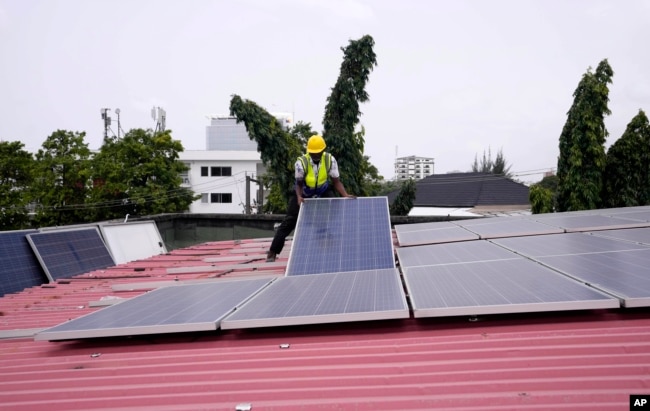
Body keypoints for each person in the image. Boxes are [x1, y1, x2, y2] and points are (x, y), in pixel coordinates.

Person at [266, 134, 355, 262]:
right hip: (304, 191)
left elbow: (336, 181)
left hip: (322, 190)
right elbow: (299, 183)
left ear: (323, 150)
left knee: (334, 209)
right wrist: (299, 196)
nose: (315, 155)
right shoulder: (301, 162)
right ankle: (273, 251)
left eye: (318, 153)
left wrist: (345, 195)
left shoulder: (330, 160)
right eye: (313, 153)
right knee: (289, 221)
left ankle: (328, 245)